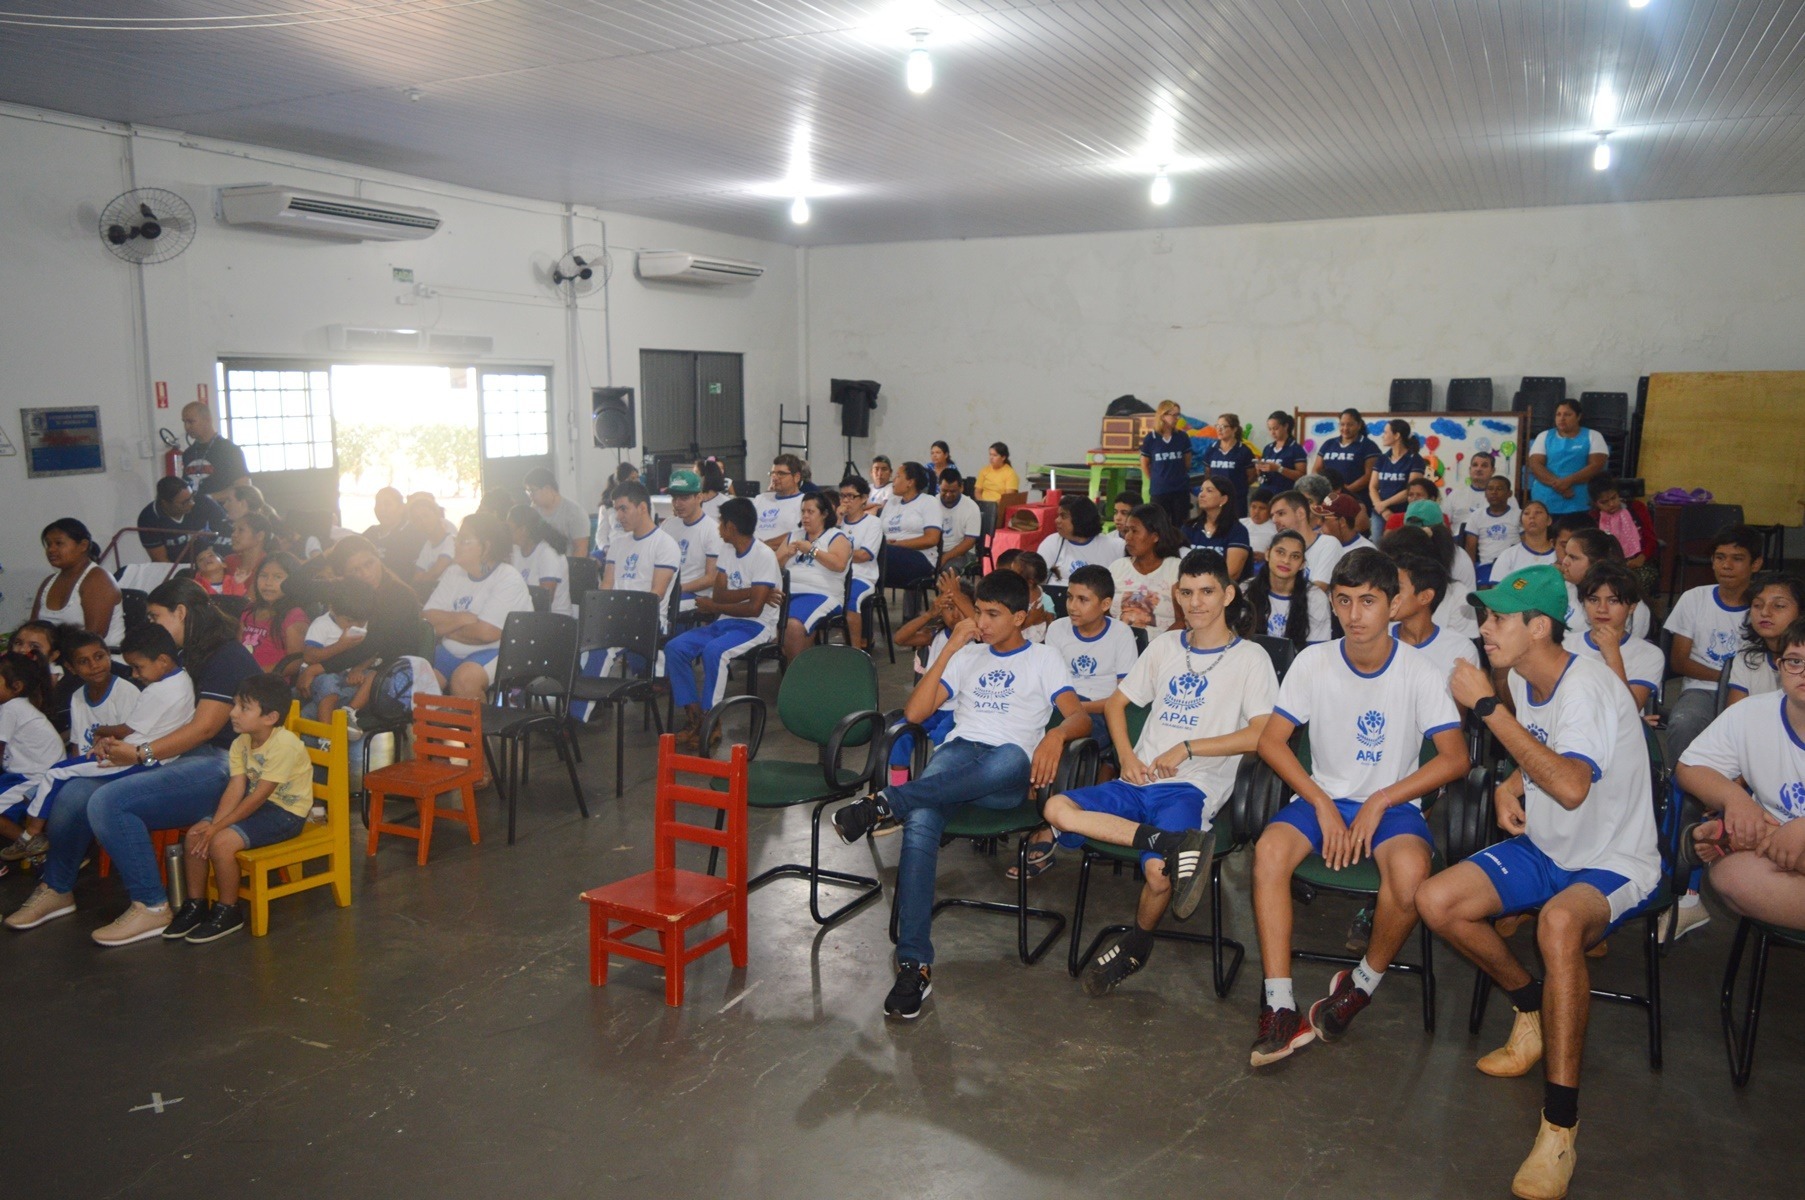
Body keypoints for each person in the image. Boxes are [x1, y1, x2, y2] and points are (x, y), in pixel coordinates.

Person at [1420, 565, 1660, 1200]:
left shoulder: (1581, 687)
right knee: (1437, 900)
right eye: (1485, 617)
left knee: (1557, 924)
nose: (1484, 628)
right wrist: (1510, 782)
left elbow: (1575, 787)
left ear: (1540, 626)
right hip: (1550, 845)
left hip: (1616, 858)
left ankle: (1559, 1126)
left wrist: (1489, 708)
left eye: (1498, 619)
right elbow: (1540, 753)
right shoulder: (1528, 679)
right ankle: (1530, 1008)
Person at [832, 569, 1090, 1019]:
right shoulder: (967, 656)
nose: (982, 623)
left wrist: (1055, 737)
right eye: (981, 613)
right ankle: (914, 965)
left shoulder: (1044, 658)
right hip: (958, 756)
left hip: (1006, 777)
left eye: (993, 615)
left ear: (1020, 615)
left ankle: (886, 803)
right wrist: (951, 647)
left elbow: (1080, 719)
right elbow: (914, 712)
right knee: (921, 825)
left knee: (1012, 756)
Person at [1248, 548, 1469, 1067]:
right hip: (1324, 797)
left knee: (1412, 872)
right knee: (1269, 853)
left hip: (1390, 807)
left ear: (1392, 605)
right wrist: (1321, 802)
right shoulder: (1313, 661)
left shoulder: (1421, 671)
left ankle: (1361, 983)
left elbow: (1456, 758)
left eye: (1368, 601)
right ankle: (1279, 1002)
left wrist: (1384, 797)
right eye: (1344, 601)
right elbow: (1272, 742)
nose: (1354, 615)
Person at [1046, 549, 1278, 992]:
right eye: (1186, 592)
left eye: (1207, 592)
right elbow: (1117, 703)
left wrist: (1189, 748)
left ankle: (1138, 941)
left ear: (1228, 595)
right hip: (1137, 783)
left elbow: (1264, 734)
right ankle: (1171, 842)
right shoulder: (1165, 646)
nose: (1195, 603)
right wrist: (1128, 756)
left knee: (1159, 874)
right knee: (1056, 807)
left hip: (1189, 789)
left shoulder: (1251, 659)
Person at [5, 578, 262, 944]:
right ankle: (57, 888)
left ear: (182, 612)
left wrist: (141, 751)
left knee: (108, 801)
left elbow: (205, 729)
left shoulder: (226, 656)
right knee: (74, 791)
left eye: (156, 616)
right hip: (182, 755)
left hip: (228, 766)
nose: (152, 625)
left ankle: (152, 906)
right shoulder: (187, 651)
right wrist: (126, 741)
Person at [4, 625, 196, 859]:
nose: (135, 674)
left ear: (163, 661)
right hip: (138, 753)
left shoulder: (154, 691)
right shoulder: (181, 679)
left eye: (138, 667)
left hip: (129, 756)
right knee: (61, 781)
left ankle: (30, 836)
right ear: (71, 668)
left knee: (55, 775)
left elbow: (126, 730)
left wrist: (102, 734)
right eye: (84, 661)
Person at [1675, 617, 1805, 941]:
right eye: (1795, 661)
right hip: (1777, 848)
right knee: (1730, 878)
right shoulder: (1752, 713)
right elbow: (1690, 767)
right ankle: (1757, 840)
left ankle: (1748, 839)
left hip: (1779, 845)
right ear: (1779, 665)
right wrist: (1735, 800)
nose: (1804, 672)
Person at [161, 673, 312, 944]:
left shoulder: (285, 745)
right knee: (196, 835)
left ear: (270, 717)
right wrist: (212, 826)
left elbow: (258, 797)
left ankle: (228, 910)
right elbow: (236, 788)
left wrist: (218, 829)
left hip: (286, 814)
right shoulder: (240, 742)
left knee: (220, 843)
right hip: (257, 806)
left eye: (243, 707)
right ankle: (196, 905)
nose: (233, 713)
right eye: (235, 704)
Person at [665, 498, 780, 749]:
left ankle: (711, 720)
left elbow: (753, 610)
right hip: (726, 622)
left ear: (731, 526)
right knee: (675, 648)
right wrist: (753, 590)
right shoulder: (728, 550)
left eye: (721, 523)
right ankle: (694, 716)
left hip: (756, 627)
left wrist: (717, 606)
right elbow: (719, 593)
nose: (718, 527)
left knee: (714, 652)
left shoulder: (764, 556)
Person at [1664, 523, 1765, 763]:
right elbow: (1679, 661)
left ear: (1756, 564)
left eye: (1737, 559)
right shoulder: (1693, 598)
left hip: (1755, 693)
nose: (1726, 566)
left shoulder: (1765, 607)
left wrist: (1740, 685)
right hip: (1702, 689)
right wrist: (1728, 678)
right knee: (1683, 723)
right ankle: (1682, 789)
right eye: (1720, 557)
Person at [300, 536, 425, 720]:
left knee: (310, 717)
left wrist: (315, 669)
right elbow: (291, 585)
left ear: (379, 559)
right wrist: (326, 555)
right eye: (355, 570)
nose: (366, 574)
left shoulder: (399, 596)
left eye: (370, 563)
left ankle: (333, 738)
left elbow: (368, 646)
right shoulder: (347, 591)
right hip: (346, 675)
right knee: (301, 714)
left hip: (384, 679)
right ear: (343, 575)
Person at [424, 513, 536, 700]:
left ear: (486, 546)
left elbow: (486, 634)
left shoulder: (507, 577)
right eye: (457, 539)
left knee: (464, 680)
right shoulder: (453, 573)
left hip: (499, 651)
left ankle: (483, 730)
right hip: (452, 650)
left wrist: (443, 629)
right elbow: (427, 618)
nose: (456, 544)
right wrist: (461, 619)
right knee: (417, 677)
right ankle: (437, 728)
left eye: (464, 540)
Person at [1564, 562, 1665, 715]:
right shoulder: (1565, 644)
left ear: (1632, 607)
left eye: (1613, 601)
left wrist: (1613, 655)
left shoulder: (1649, 654)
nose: (1602, 609)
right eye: (1593, 599)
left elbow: (1629, 712)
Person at [0, 652, 68, 855]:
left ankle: (34, 845)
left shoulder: (12, 708)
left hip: (37, 777)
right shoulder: (16, 706)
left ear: (16, 686)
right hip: (25, 774)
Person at [779, 493, 851, 661]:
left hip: (822, 593)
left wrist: (812, 550)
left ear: (824, 514)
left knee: (793, 626)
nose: (805, 516)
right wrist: (785, 555)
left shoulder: (836, 537)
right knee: (764, 617)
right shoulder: (793, 536)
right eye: (803, 511)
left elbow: (839, 564)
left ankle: (796, 679)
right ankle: (801, 668)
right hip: (788, 592)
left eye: (810, 512)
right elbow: (772, 567)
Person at [30, 519, 125, 647]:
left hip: (96, 660)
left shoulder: (98, 579)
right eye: (48, 544)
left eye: (59, 543)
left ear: (83, 545)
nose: (51, 550)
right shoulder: (49, 581)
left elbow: (93, 637)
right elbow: (32, 629)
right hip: (55, 657)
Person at [599, 480, 681, 614]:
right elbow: (606, 586)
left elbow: (656, 595)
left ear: (642, 508)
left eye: (623, 509)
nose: (618, 517)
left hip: (647, 620)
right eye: (616, 510)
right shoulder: (617, 544)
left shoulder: (665, 545)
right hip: (616, 617)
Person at [294, 580, 374, 712]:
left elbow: (371, 652)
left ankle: (350, 712)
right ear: (333, 610)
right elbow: (309, 656)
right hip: (320, 675)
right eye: (349, 620)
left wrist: (359, 668)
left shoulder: (365, 622)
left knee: (372, 676)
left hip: (347, 675)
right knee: (329, 682)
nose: (356, 626)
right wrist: (341, 645)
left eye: (361, 621)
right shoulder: (322, 624)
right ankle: (328, 730)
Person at [1556, 527, 1649, 640]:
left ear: (1598, 564)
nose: (1565, 562)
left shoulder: (1631, 606)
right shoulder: (1565, 586)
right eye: (1566, 554)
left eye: (1573, 557)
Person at [1726, 572, 1805, 703]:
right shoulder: (1748, 657)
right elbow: (1735, 718)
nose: (1764, 612)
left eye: (1779, 606)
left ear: (1801, 613)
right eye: (1757, 605)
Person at [1246, 530, 1332, 649]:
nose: (1286, 561)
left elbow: (1317, 651)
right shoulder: (1246, 590)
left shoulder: (1315, 597)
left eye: (1295, 556)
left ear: (1302, 564)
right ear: (1267, 554)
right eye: (1280, 552)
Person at [1526, 398, 1608, 517]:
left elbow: (1596, 466)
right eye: (1558, 414)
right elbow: (1535, 465)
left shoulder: (1593, 436)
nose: (1561, 418)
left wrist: (1568, 481)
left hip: (1580, 499)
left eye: (1567, 414)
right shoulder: (1544, 436)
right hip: (1546, 499)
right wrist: (1562, 487)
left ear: (1578, 416)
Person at [1109, 503, 1184, 634]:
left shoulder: (1175, 569)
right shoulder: (1117, 568)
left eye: (1135, 531)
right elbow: (1103, 613)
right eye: (1127, 531)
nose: (1128, 537)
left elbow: (1183, 621)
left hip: (1162, 648)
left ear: (1155, 536)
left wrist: (1155, 648)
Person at [661, 468, 722, 618]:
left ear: (699, 497)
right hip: (669, 589)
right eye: (674, 498)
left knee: (658, 606)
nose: (677, 504)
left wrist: (676, 589)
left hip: (694, 594)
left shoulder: (712, 530)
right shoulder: (668, 524)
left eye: (684, 498)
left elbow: (711, 578)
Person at [836, 476, 884, 651]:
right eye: (842, 496)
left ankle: (855, 651)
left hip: (861, 576)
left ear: (864, 498)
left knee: (850, 601)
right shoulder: (836, 523)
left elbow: (864, 555)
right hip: (836, 574)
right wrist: (837, 522)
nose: (846, 501)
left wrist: (838, 554)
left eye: (851, 496)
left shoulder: (873, 523)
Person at [881, 461, 944, 595]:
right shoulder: (891, 502)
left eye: (898, 476)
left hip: (920, 559)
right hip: (890, 556)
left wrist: (897, 545)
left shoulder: (928, 502)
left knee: (874, 556)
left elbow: (932, 539)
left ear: (910, 482)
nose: (893, 480)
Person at [237, 553, 308, 671]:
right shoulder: (249, 610)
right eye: (263, 575)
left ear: (293, 582)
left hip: (269, 684)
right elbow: (237, 649)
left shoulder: (294, 616)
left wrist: (256, 674)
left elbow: (296, 662)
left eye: (277, 577)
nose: (268, 582)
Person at [1037, 496, 1124, 588]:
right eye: (1058, 515)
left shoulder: (1115, 546)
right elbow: (1037, 581)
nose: (1057, 520)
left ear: (1080, 519)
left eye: (1063, 516)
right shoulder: (1051, 543)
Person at [137, 477, 229, 563]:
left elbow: (227, 527)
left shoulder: (202, 502)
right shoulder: (149, 519)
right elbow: (161, 561)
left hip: (208, 562)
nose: (192, 503)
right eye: (185, 502)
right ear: (165, 503)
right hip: (175, 568)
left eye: (192, 496)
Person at [507, 504, 572, 617]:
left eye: (510, 530)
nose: (507, 534)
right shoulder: (516, 551)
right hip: (525, 615)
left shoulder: (547, 553)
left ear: (523, 530)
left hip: (555, 620)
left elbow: (544, 601)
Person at [1312, 408, 1379, 516]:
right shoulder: (1329, 444)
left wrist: (1344, 491)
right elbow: (1316, 469)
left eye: (1350, 425)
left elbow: (1369, 475)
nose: (1345, 428)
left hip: (1356, 500)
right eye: (1342, 424)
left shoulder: (1369, 446)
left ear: (1359, 425)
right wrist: (1324, 490)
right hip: (1327, 500)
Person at [1269, 489, 1341, 589]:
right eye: (1272, 516)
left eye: (1281, 513)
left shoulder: (1328, 544)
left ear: (1301, 513)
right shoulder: (1278, 548)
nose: (1274, 520)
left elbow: (1319, 589)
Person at [1183, 474, 1250, 580]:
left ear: (1223, 499)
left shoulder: (1238, 531)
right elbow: (1180, 565)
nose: (1201, 495)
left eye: (1209, 491)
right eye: (1201, 490)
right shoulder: (1189, 527)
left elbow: (1231, 573)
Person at [1139, 400, 1194, 529]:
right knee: (1159, 526)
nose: (1176, 418)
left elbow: (1187, 462)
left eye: (1178, 415)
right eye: (1173, 415)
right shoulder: (1151, 439)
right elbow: (1145, 464)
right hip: (1160, 490)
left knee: (1181, 525)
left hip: (1180, 489)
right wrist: (1157, 479)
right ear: (1163, 415)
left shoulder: (1182, 437)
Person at [1368, 419, 1427, 537]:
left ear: (1397, 435)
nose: (1383, 436)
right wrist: (1382, 508)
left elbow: (1411, 490)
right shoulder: (1382, 459)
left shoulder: (1415, 459)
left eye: (1385, 432)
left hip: (1404, 512)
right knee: (1378, 544)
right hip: (1380, 512)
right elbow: (1372, 487)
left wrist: (1384, 504)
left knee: (1400, 546)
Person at [178, 401, 249, 499]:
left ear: (207, 420)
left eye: (191, 422)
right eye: (184, 422)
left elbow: (243, 488)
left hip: (222, 511)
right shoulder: (188, 453)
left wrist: (209, 499)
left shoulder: (230, 450)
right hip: (195, 512)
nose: (186, 427)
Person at [1586, 476, 1654, 575]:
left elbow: (1651, 540)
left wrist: (1642, 558)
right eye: (1604, 502)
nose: (1611, 504)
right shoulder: (1593, 518)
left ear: (1619, 494)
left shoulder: (1637, 508)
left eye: (1614, 498)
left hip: (1638, 562)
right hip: (1605, 566)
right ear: (1595, 503)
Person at [1462, 475, 1523, 583]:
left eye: (1499, 489)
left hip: (1512, 566)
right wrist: (1470, 574)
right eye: (1490, 489)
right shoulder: (1476, 515)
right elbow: (1470, 548)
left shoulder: (1519, 515)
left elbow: (1526, 543)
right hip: (1485, 566)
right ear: (1485, 493)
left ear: (1509, 494)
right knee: (1484, 594)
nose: (1494, 492)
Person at [521, 466, 591, 558]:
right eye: (528, 491)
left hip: (565, 564)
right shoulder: (534, 511)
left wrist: (568, 571)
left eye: (532, 490)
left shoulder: (574, 513)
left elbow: (581, 549)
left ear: (548, 488)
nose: (530, 495)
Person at [1202, 413, 1257, 515]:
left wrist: (1238, 487)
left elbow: (1252, 476)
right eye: (1217, 426)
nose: (1219, 429)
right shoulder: (1211, 449)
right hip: (1216, 499)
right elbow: (1207, 474)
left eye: (1223, 426)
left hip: (1236, 499)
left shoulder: (1244, 451)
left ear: (1234, 429)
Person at [1490, 499, 1555, 581]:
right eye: (1526, 513)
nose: (1532, 516)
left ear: (1549, 520)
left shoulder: (1560, 555)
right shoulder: (1508, 555)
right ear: (1521, 523)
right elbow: (1497, 591)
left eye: (1538, 512)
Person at [934, 467, 983, 571]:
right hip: (935, 551)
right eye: (944, 490)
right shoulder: (932, 503)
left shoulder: (971, 507)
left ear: (961, 488)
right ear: (939, 487)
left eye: (953, 491)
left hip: (963, 553)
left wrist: (945, 557)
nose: (948, 494)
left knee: (948, 570)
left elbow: (969, 542)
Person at [754, 454, 807, 550]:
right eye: (773, 473)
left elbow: (800, 534)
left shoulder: (805, 502)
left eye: (781, 474)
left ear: (796, 477)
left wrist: (762, 546)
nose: (774, 477)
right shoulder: (760, 499)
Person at [1257, 410, 1308, 495]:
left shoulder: (1296, 448)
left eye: (1275, 428)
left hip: (1285, 494)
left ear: (1285, 426)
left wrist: (1279, 468)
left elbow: (1302, 476)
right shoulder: (1268, 448)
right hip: (1266, 493)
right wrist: (1259, 469)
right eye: (1269, 429)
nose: (1272, 432)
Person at [594, 462, 642, 552]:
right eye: (632, 479)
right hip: (611, 550)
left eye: (637, 478)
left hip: (635, 550)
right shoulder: (607, 507)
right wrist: (606, 549)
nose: (636, 482)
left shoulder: (643, 504)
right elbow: (601, 536)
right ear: (620, 483)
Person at [1445, 449, 1497, 532]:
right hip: (1458, 542)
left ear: (1493, 471)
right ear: (1470, 469)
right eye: (1475, 465)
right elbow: (1443, 523)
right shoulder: (1455, 495)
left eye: (1484, 465)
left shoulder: (1503, 497)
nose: (1478, 469)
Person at [1319, 494, 1376, 559]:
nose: (1319, 523)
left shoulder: (1366, 554)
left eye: (1324, 519)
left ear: (1342, 521)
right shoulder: (1325, 544)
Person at [1243, 489, 1277, 561]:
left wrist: (1266, 556)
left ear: (1270, 510)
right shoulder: (1240, 524)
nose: (1256, 512)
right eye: (1253, 507)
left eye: (1262, 508)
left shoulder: (1276, 528)